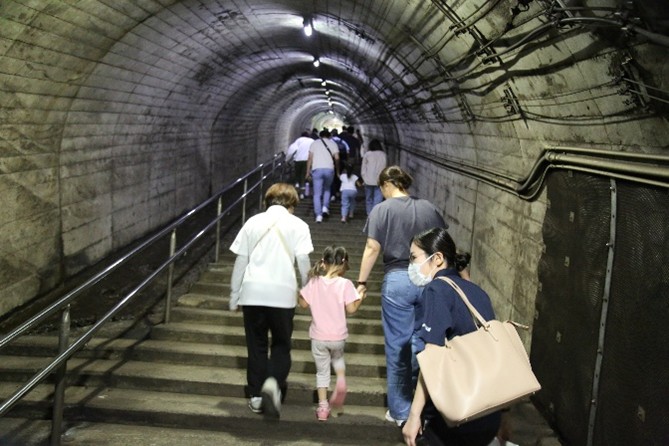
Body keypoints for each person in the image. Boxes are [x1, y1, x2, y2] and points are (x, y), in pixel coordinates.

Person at [355, 165, 447, 427]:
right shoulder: (429, 208)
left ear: (386, 184)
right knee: (424, 342)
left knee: (397, 347)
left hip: (398, 279)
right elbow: (444, 244)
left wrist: (361, 282)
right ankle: (423, 406)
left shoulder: (382, 210)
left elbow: (372, 247)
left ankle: (400, 412)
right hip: (428, 277)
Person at [402, 227, 501, 446]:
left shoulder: (437, 290)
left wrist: (414, 415)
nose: (411, 264)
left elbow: (433, 356)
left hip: (458, 412)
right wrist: (505, 414)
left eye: (414, 257)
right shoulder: (477, 292)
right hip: (490, 412)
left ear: (437, 258)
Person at [228, 183, 314, 419]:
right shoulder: (299, 225)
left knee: (256, 345)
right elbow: (303, 261)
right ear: (292, 203)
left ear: (268, 200)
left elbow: (241, 261)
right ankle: (273, 383)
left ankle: (256, 396)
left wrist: (234, 295)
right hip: (282, 294)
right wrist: (307, 290)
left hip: (252, 292)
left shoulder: (252, 222)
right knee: (281, 345)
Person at [298, 245, 363, 421]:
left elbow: (303, 304)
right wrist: (360, 297)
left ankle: (323, 408)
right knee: (338, 357)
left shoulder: (314, 282)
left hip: (318, 336)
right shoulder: (346, 284)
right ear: (343, 264)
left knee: (322, 372)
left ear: (324, 263)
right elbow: (351, 309)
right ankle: (341, 380)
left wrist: (300, 292)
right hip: (338, 337)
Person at [306, 129, 339, 223]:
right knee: (327, 189)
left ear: (320, 136)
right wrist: (338, 171)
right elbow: (337, 158)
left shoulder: (314, 143)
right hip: (329, 169)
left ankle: (318, 216)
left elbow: (309, 158)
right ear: (329, 136)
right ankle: (325, 207)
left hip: (317, 169)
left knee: (317, 194)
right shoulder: (333, 143)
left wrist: (307, 172)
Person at [360, 139, 388, 215]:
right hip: (380, 180)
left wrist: (364, 178)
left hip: (368, 180)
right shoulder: (383, 155)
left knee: (369, 198)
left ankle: (369, 214)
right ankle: (375, 214)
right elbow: (385, 167)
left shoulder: (367, 154)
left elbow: (363, 169)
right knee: (378, 199)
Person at [286, 131, 314, 198]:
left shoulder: (298, 140)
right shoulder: (312, 141)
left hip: (298, 160)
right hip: (308, 161)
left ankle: (297, 186)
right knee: (304, 176)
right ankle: (303, 193)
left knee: (297, 175)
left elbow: (291, 150)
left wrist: (287, 160)